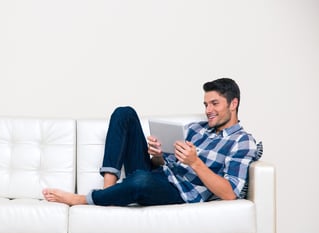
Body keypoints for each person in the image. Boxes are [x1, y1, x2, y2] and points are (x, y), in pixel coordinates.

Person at [43, 78, 260, 206]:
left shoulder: (242, 142)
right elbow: (164, 164)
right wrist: (157, 155)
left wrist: (195, 163)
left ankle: (86, 200)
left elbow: (230, 193)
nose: (208, 111)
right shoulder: (196, 129)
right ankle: (108, 192)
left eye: (214, 104)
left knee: (140, 181)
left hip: (179, 192)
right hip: (159, 174)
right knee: (124, 113)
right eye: (205, 104)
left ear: (233, 104)